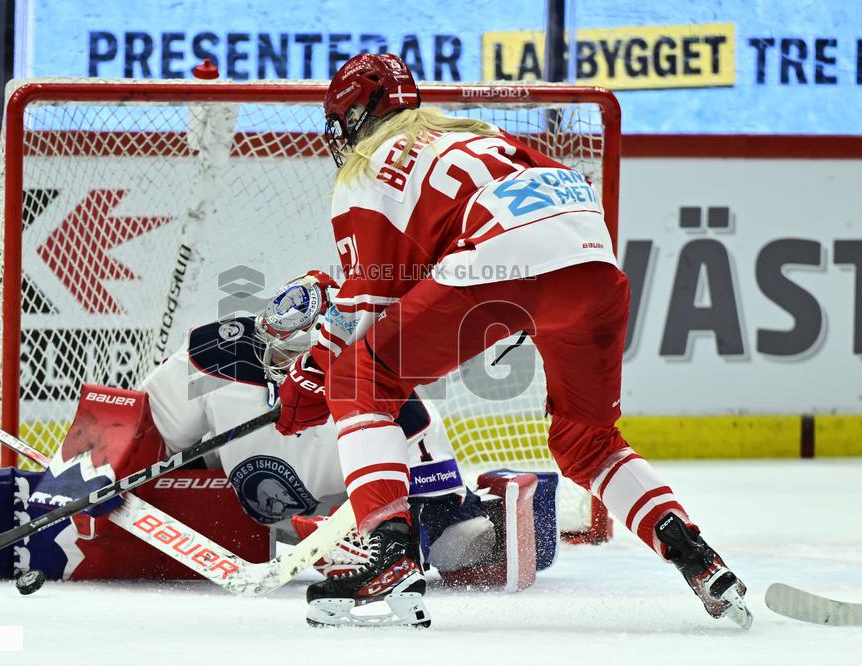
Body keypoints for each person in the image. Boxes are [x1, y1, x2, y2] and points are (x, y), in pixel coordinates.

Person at [275, 52, 751, 629]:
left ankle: (389, 560)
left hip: (506, 263)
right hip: (595, 266)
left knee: (360, 376)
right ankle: (695, 554)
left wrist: (312, 372)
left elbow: (363, 308)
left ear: (353, 119)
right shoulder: (478, 134)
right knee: (587, 441)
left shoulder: (371, 166)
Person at [140, 270, 495, 586]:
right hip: (243, 500)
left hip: (342, 513)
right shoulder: (221, 350)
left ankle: (503, 500)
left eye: (286, 356)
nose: (270, 364)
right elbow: (145, 427)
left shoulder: (393, 402)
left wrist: (390, 540)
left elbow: (437, 503)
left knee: (460, 542)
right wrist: (107, 462)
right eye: (269, 347)